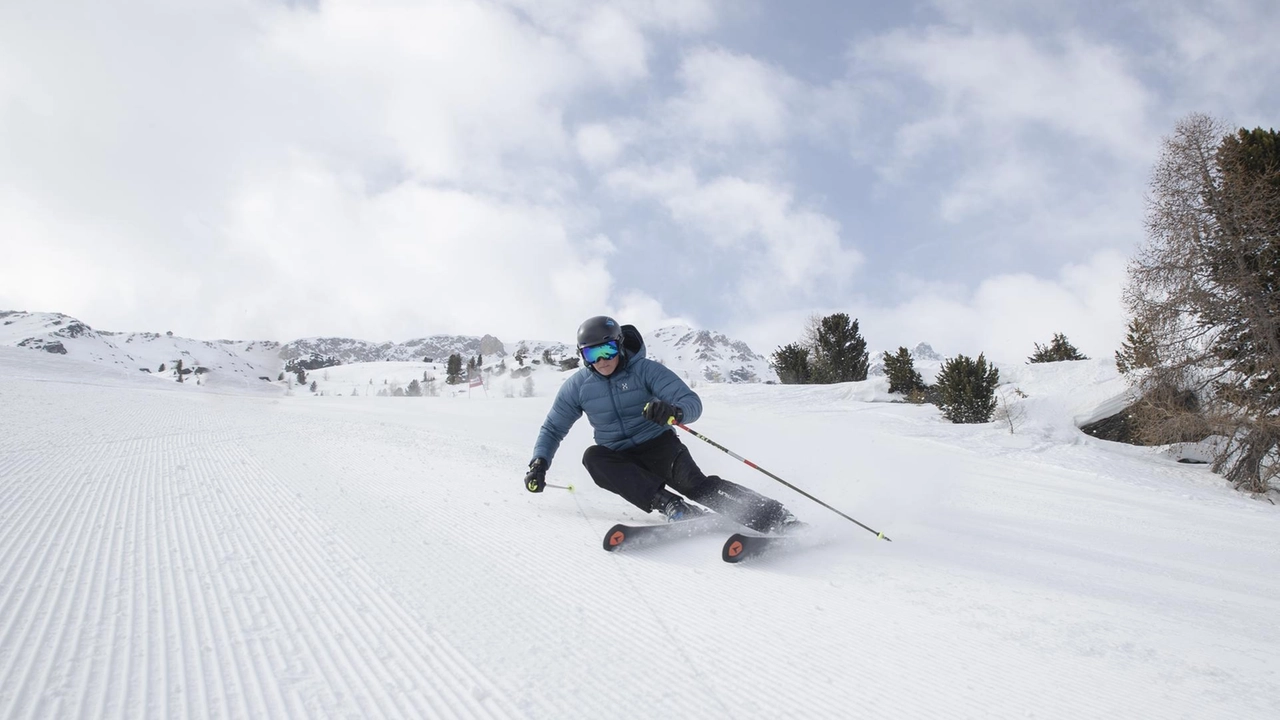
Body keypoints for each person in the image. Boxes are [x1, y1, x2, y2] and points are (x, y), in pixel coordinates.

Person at [523, 315, 797, 532]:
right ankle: (671, 506)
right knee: (593, 457)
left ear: (619, 344)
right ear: (583, 356)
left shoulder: (645, 370)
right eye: (593, 354)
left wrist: (673, 411)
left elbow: (691, 402)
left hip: (659, 446)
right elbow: (553, 427)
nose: (603, 360)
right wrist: (539, 463)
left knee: (696, 486)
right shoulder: (578, 386)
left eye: (607, 349)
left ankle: (777, 517)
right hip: (619, 458)